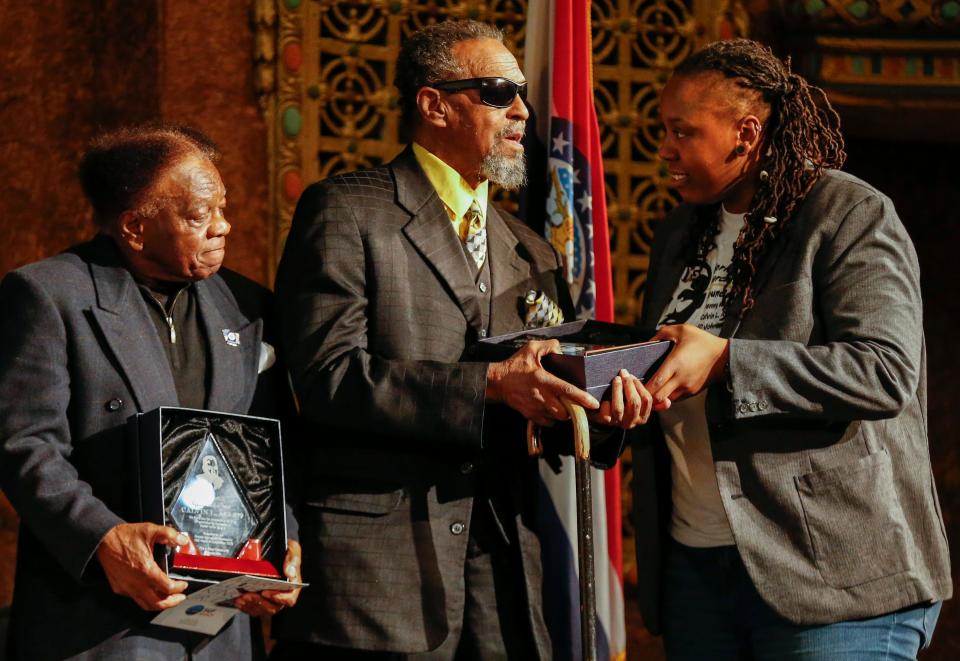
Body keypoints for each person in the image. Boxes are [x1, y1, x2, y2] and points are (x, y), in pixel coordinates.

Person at [272, 19, 651, 660]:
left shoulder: (530, 248)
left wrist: (598, 409)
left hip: (499, 577)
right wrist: (492, 386)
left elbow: (541, 409)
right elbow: (328, 378)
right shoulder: (347, 210)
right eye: (499, 91)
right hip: (379, 578)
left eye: (523, 94)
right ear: (434, 103)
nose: (523, 112)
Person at [631, 39, 951, 659]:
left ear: (745, 133)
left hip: (834, 582)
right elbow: (677, 365)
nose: (665, 148)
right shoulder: (677, 231)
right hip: (696, 571)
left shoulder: (847, 212)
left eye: (682, 131)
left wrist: (726, 359)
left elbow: (883, 373)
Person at [0, 125, 302, 660]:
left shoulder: (249, 304)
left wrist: (280, 548)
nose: (223, 226)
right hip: (102, 624)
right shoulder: (50, 295)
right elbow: (26, 445)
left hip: (222, 630)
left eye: (223, 207)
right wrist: (103, 540)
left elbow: (274, 447)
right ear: (135, 228)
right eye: (198, 214)